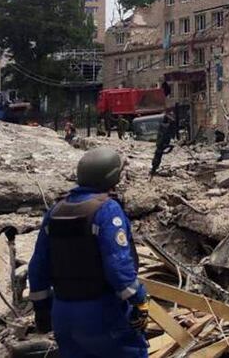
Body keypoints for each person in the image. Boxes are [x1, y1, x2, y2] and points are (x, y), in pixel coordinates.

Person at [28, 147, 149, 358]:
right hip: (101, 313)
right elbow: (118, 266)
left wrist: (41, 309)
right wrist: (139, 299)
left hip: (63, 314)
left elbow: (38, 266)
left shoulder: (55, 211)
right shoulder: (107, 210)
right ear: (112, 177)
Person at [150, 107, 179, 176]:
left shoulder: (163, 125)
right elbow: (171, 124)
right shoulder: (165, 126)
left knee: (158, 156)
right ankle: (153, 169)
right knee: (157, 157)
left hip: (161, 143)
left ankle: (154, 169)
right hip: (162, 143)